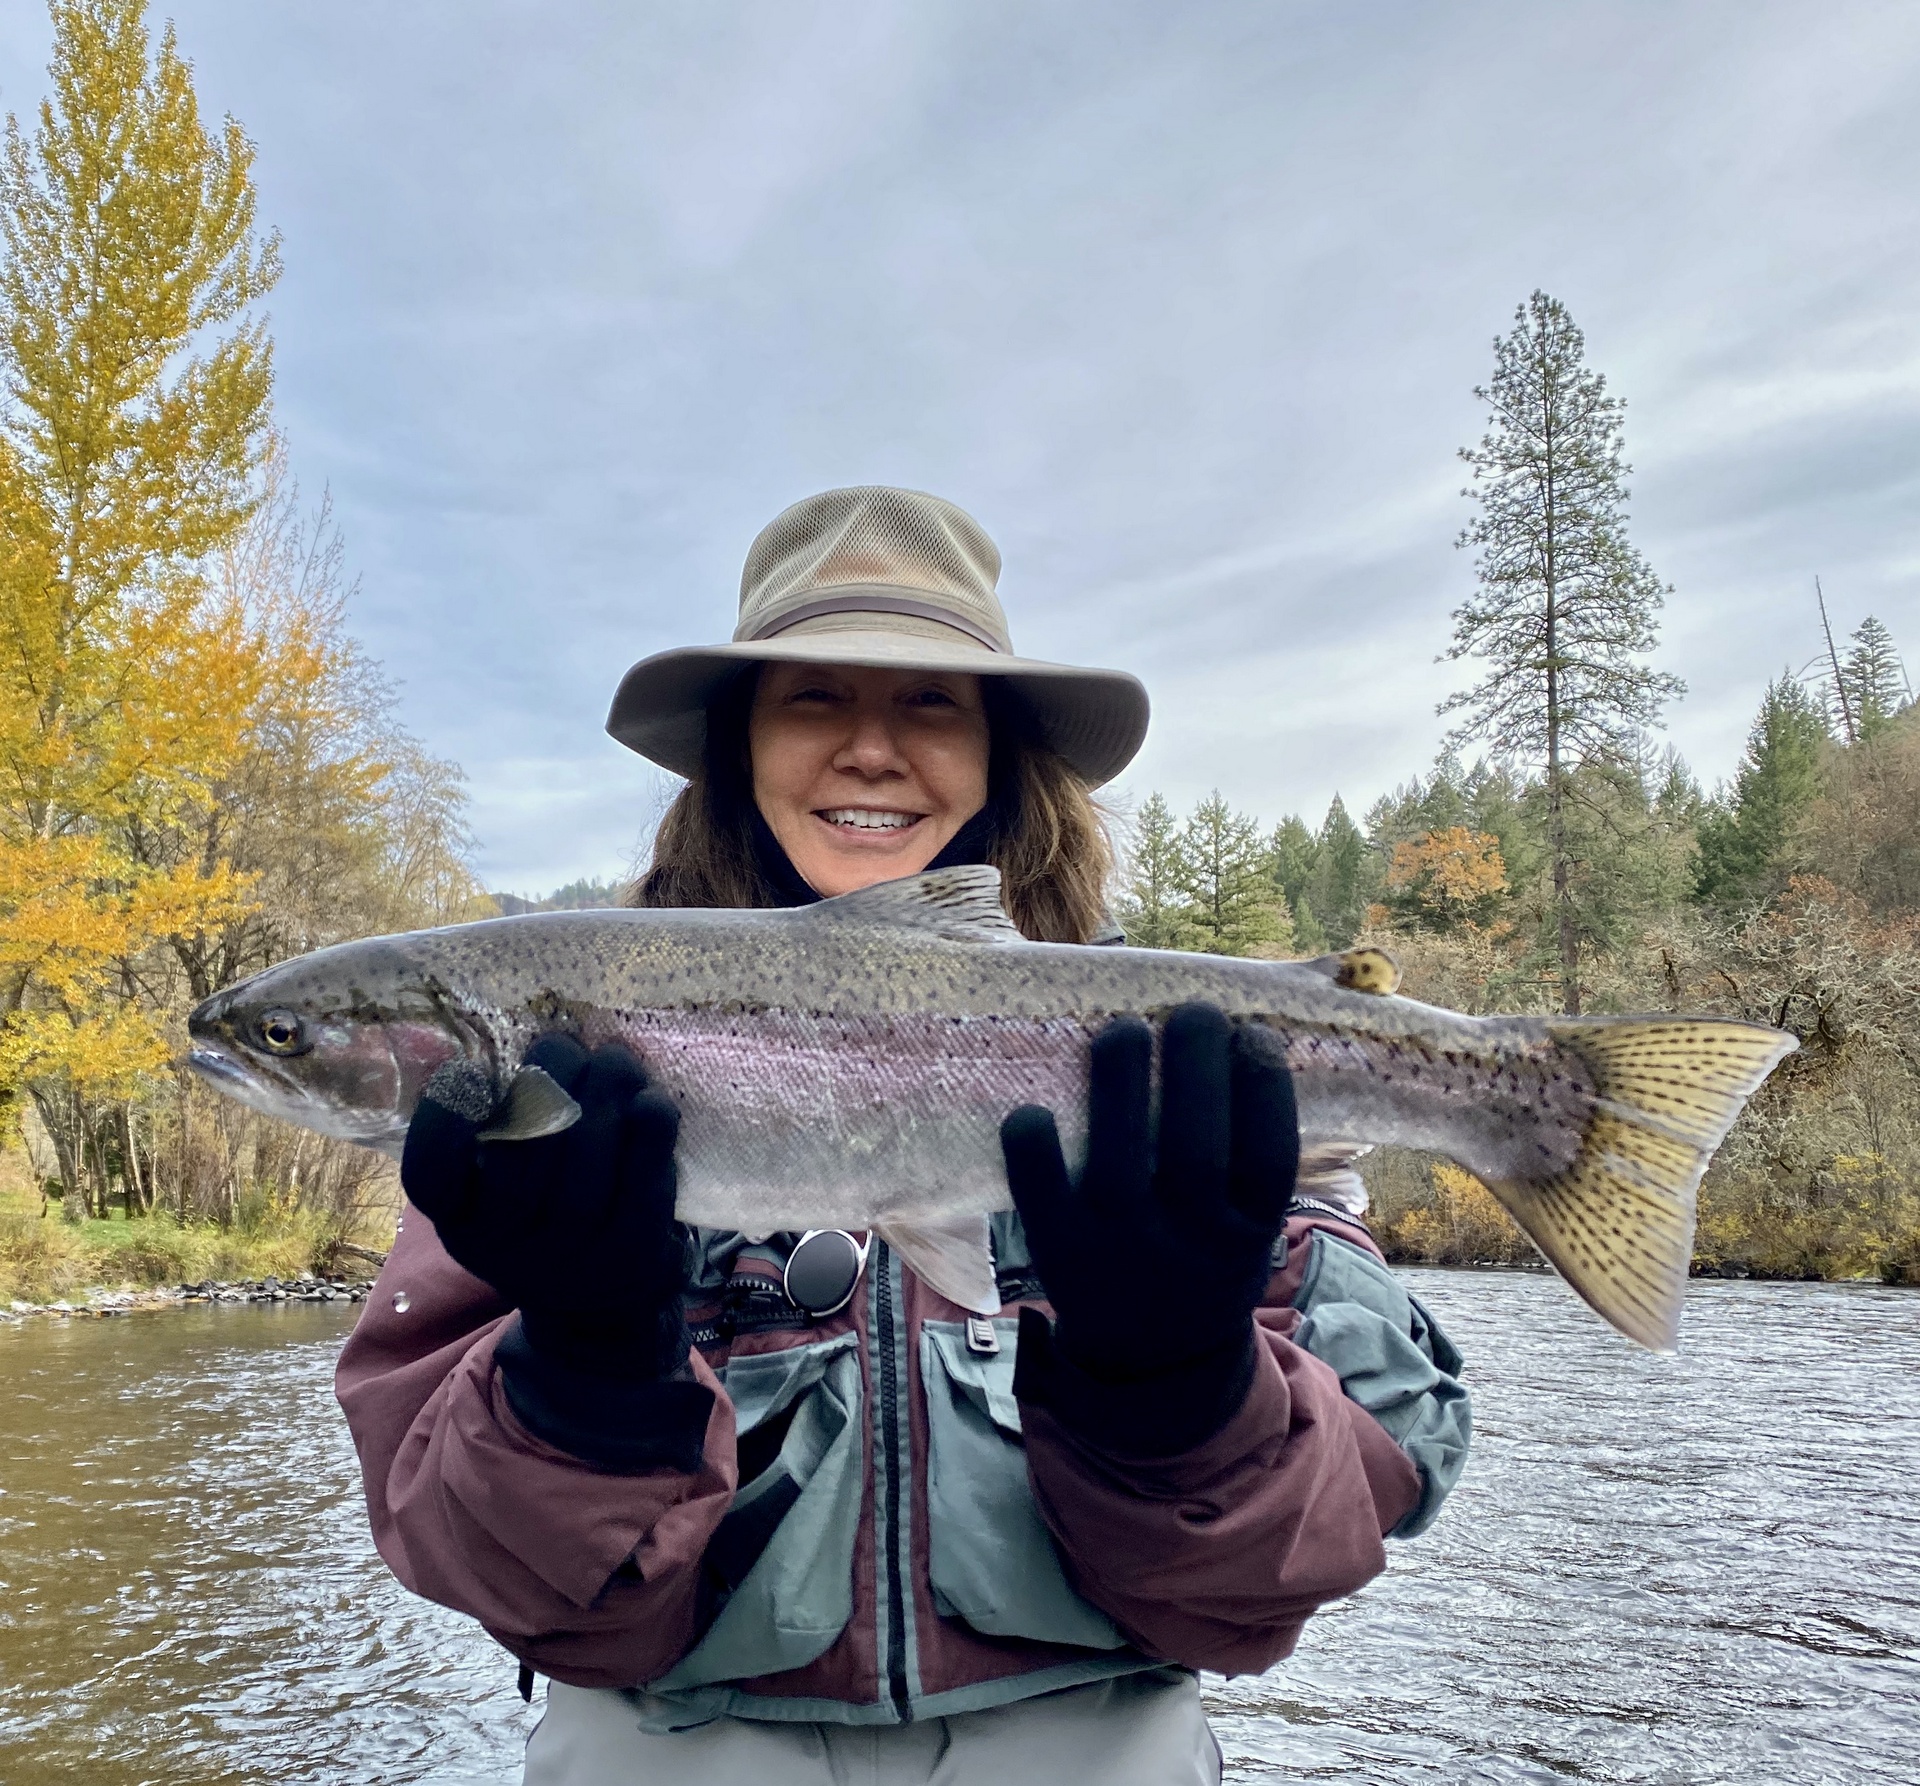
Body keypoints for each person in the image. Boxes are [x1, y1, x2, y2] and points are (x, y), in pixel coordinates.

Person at [336, 487, 1471, 1785]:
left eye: (931, 701)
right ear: (739, 745)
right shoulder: (554, 1086)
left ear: (1000, 750)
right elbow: (477, 1561)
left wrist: (1182, 1392)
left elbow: (1378, 1479)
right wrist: (583, 1377)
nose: (871, 748)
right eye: (812, 696)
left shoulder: (1175, 1072)